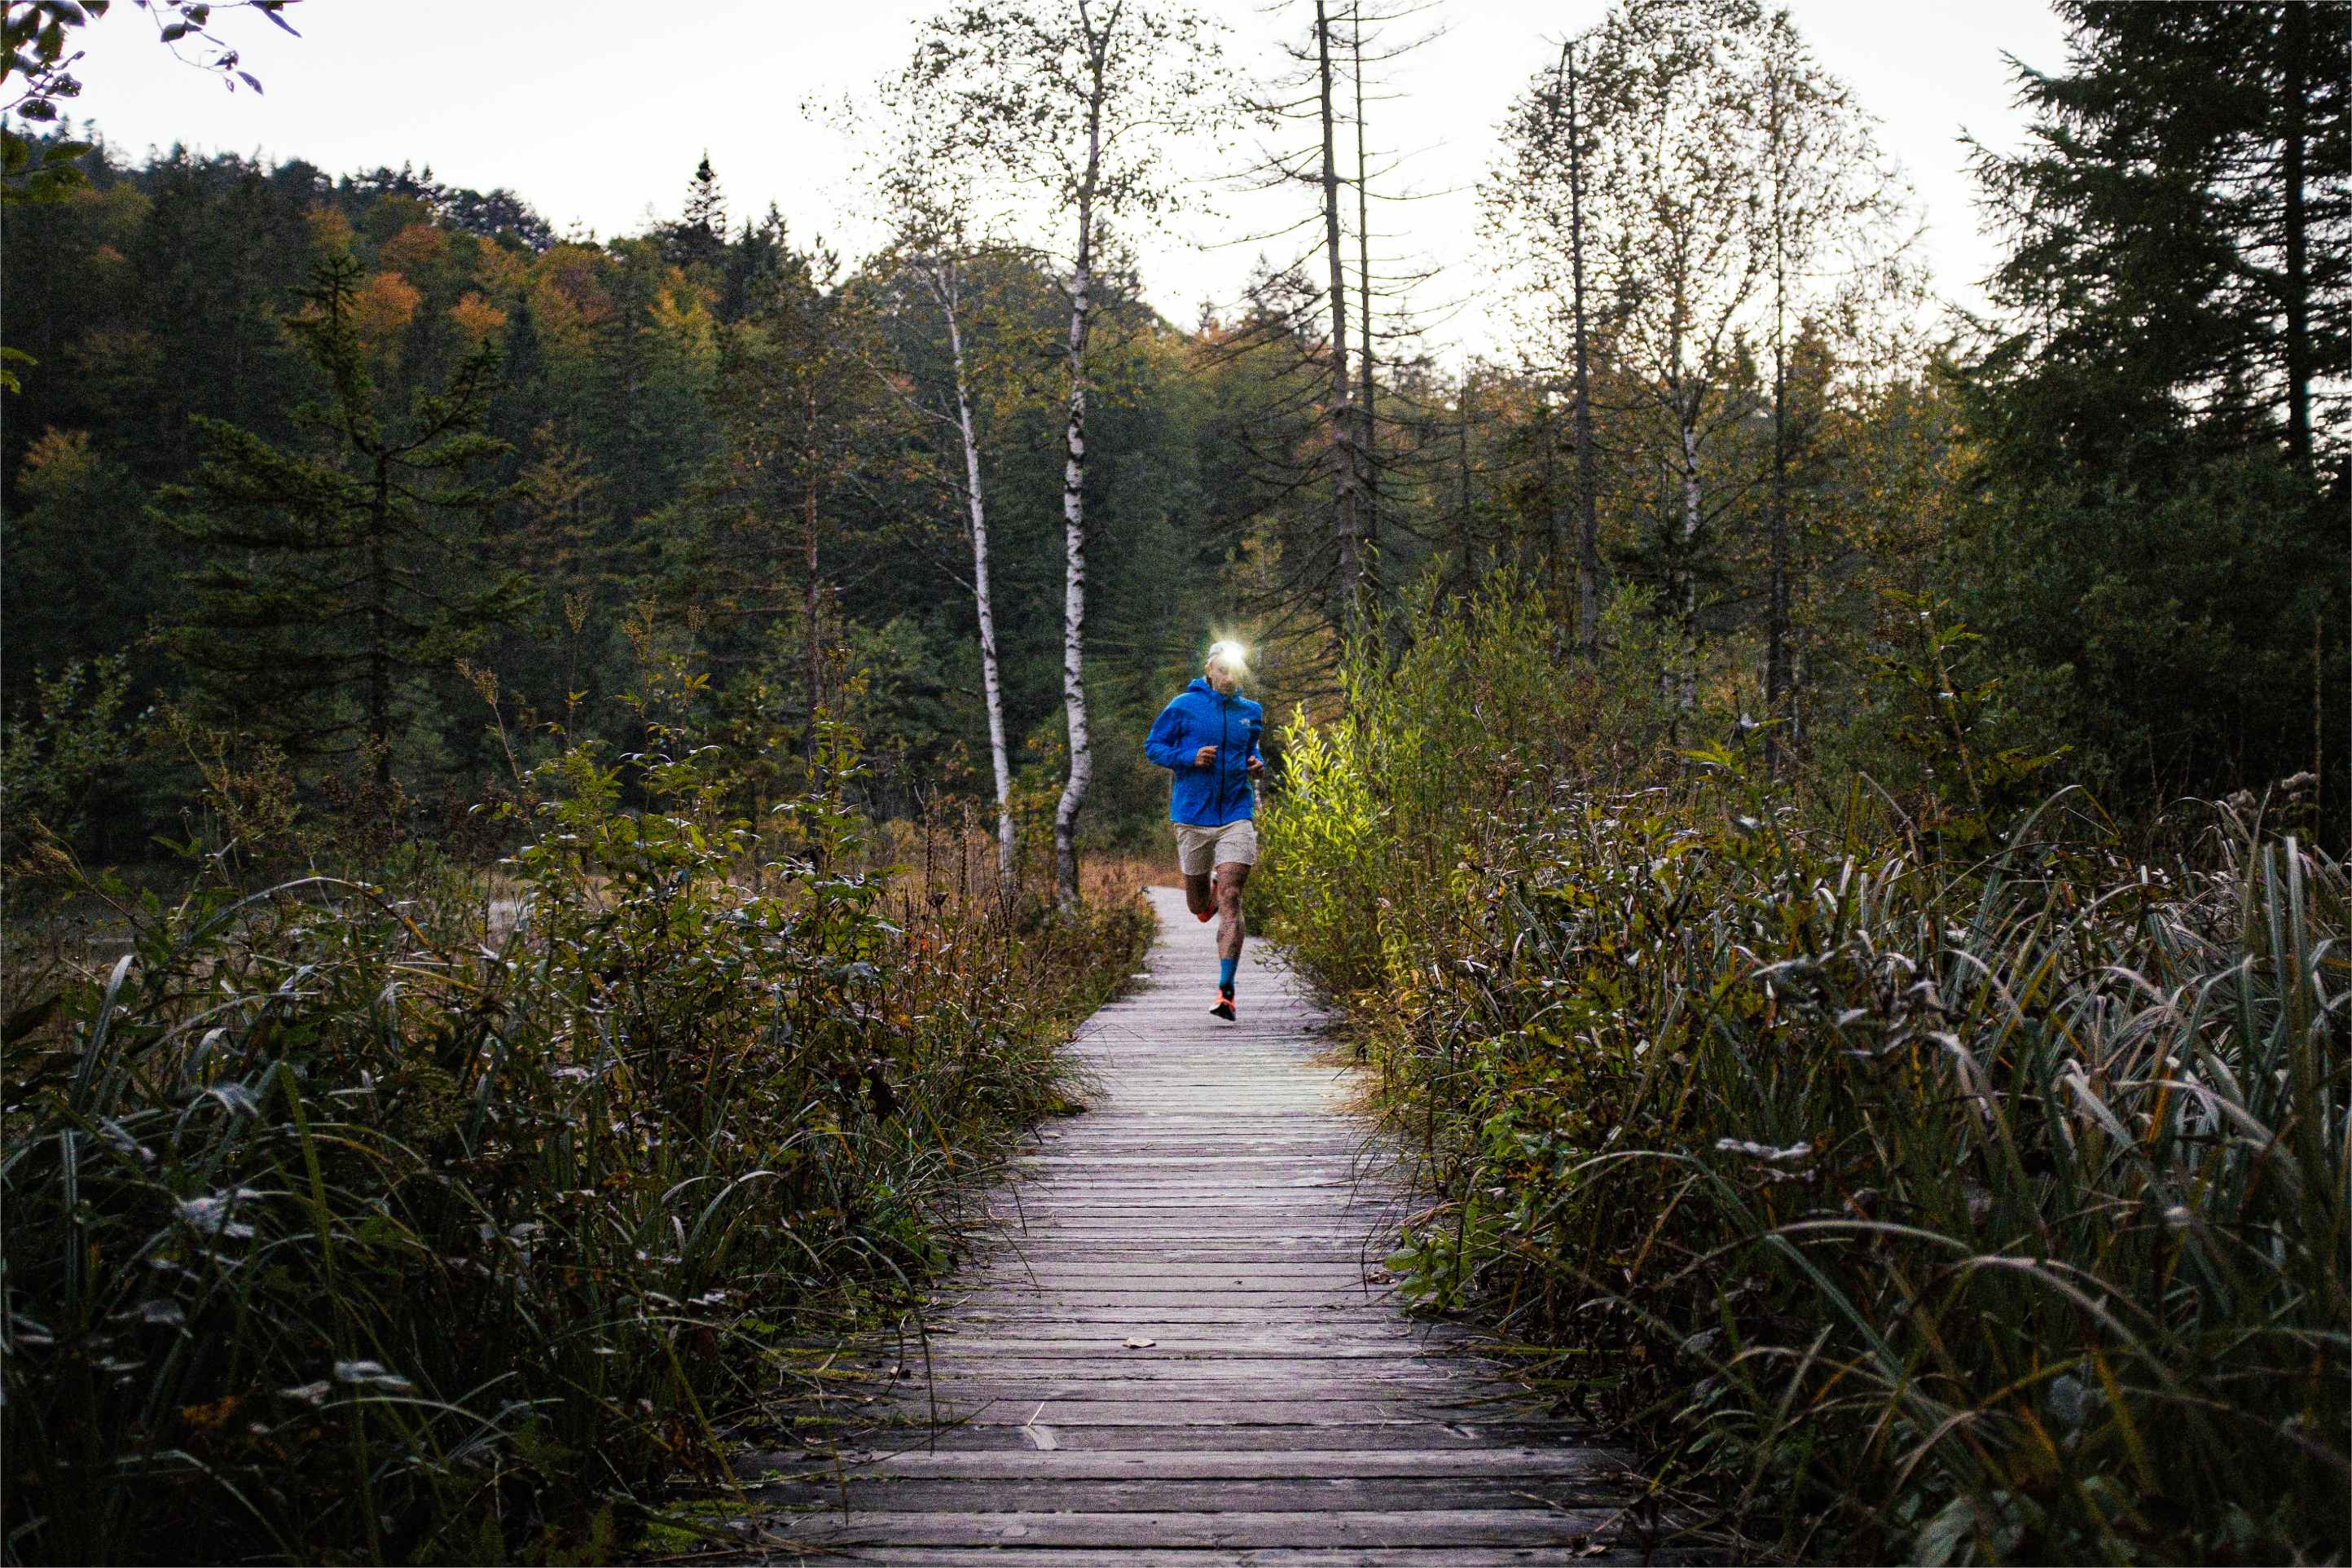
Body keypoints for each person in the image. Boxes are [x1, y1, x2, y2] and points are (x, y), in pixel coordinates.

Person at [1144, 641, 1264, 1021]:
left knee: (1232, 895)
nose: (1231, 678)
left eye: (1237, 671)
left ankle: (1226, 991)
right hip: (1192, 815)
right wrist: (1188, 758)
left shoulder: (1251, 712)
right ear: (1209, 670)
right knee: (1199, 906)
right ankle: (1205, 894)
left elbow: (1254, 751)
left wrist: (1256, 764)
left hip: (1235, 813)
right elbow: (1153, 747)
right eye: (1224, 670)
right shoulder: (1183, 705)